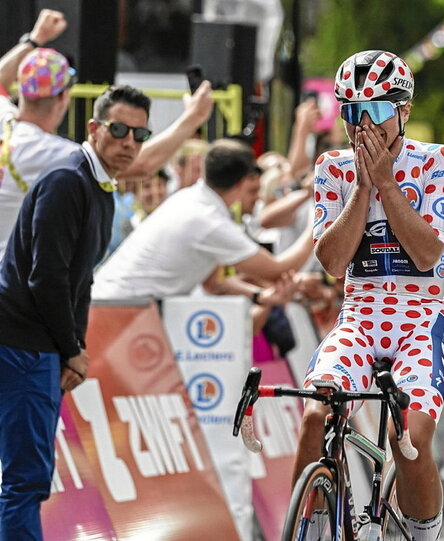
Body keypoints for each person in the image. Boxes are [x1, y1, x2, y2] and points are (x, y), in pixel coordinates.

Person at [295, 49, 444, 540]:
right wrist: (361, 191)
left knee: (407, 437)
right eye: (351, 112)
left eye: (378, 111)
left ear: (403, 112)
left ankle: (421, 532)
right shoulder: (331, 167)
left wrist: (387, 183)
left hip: (419, 319)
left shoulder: (436, 161)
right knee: (311, 417)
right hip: (360, 318)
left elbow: (428, 253)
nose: (363, 125)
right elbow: (331, 263)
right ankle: (314, 526)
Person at [0, 84, 153, 541]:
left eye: (140, 135)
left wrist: (74, 347)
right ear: (94, 127)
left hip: (33, 343)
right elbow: (47, 278)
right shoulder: (69, 180)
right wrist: (70, 350)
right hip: (21, 343)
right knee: (25, 479)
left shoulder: (99, 186)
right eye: (120, 129)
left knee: (24, 476)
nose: (129, 142)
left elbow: (78, 280)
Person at [0, 9, 215, 259]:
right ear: (63, 98)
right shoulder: (44, 152)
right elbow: (141, 163)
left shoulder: (6, 122)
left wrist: (34, 39)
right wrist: (193, 118)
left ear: (23, 92)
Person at [92, 138, 314, 303]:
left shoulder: (191, 201)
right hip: (120, 309)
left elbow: (214, 283)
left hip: (115, 304)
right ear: (243, 182)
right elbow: (278, 270)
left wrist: (259, 297)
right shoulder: (209, 221)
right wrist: (320, 222)